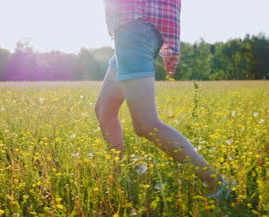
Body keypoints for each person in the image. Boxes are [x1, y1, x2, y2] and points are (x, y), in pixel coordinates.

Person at [96, 0, 230, 196]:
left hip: (133, 28)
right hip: (134, 29)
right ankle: (118, 178)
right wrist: (171, 47)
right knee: (104, 110)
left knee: (146, 124)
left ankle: (218, 183)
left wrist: (170, 47)